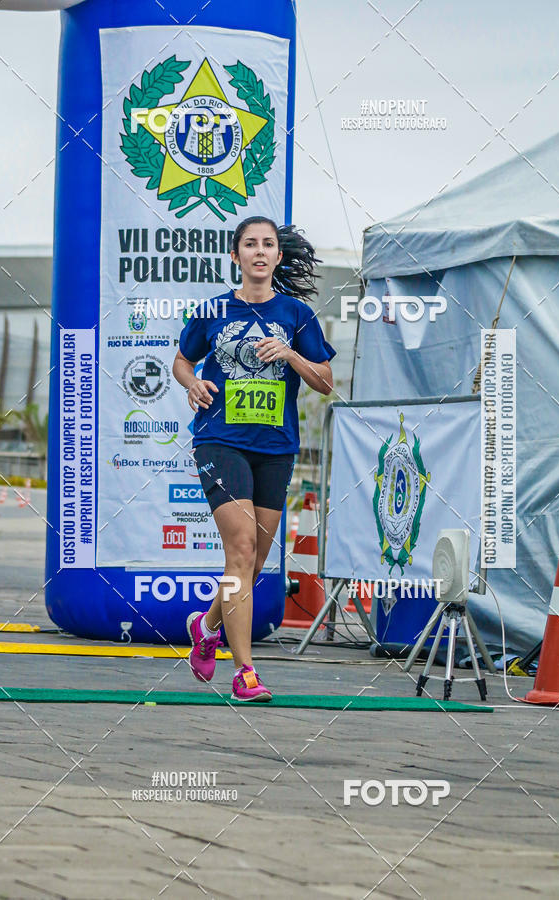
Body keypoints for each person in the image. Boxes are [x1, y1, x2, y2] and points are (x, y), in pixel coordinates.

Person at [172, 215, 336, 702]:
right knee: (240, 551)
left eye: (268, 244)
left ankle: (204, 627)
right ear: (236, 255)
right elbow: (182, 359)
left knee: (256, 561)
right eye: (250, 244)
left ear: (277, 257)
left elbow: (326, 381)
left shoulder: (296, 315)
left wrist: (290, 356)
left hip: (275, 448)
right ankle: (245, 673)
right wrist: (193, 382)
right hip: (219, 440)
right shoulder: (213, 312)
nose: (259, 252)